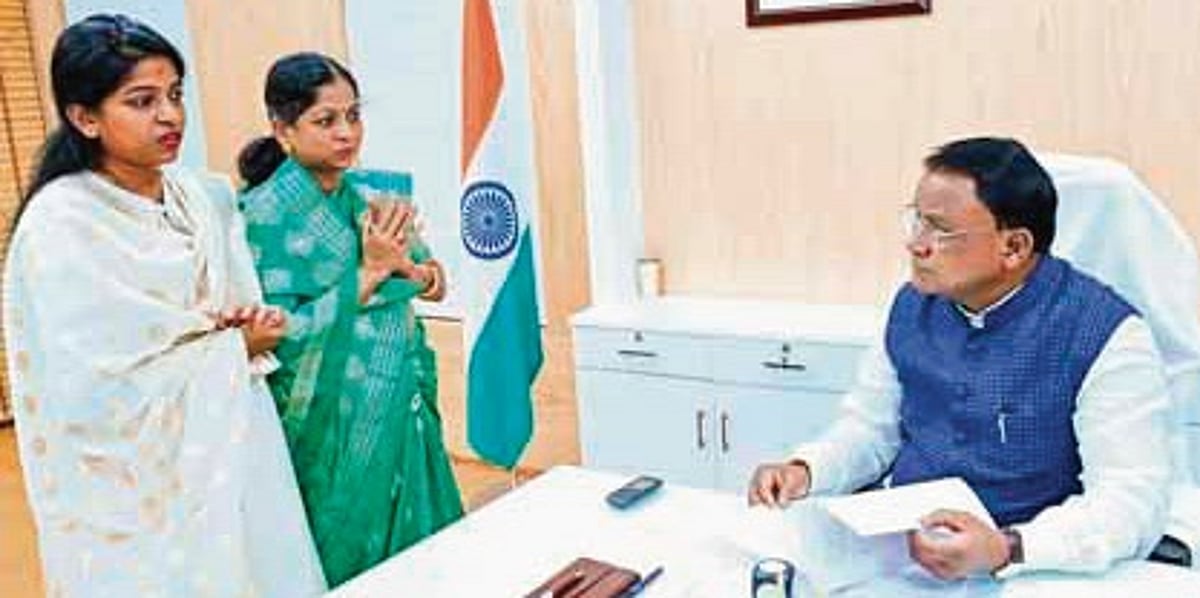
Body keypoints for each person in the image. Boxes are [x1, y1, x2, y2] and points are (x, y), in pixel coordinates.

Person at [2, 14, 325, 596]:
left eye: (175, 94)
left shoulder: (201, 195)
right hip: (135, 484)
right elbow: (90, 392)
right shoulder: (61, 226)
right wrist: (228, 350)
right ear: (85, 117)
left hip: (233, 431)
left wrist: (248, 325)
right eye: (142, 101)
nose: (170, 115)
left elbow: (229, 306)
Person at [748, 137, 1172, 579]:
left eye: (940, 230)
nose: (916, 245)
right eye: (917, 220)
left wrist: (1008, 547)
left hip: (1031, 567)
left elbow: (1128, 501)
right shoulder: (912, 304)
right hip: (903, 552)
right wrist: (807, 470)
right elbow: (871, 432)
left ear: (1014, 247)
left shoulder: (1106, 334)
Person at [236, 52, 464, 586]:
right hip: (330, 418)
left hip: (401, 393)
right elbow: (279, 335)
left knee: (428, 559)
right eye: (326, 120)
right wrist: (374, 271)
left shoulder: (372, 196)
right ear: (283, 129)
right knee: (349, 557)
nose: (347, 132)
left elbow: (435, 282)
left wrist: (408, 269)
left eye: (354, 115)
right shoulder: (260, 218)